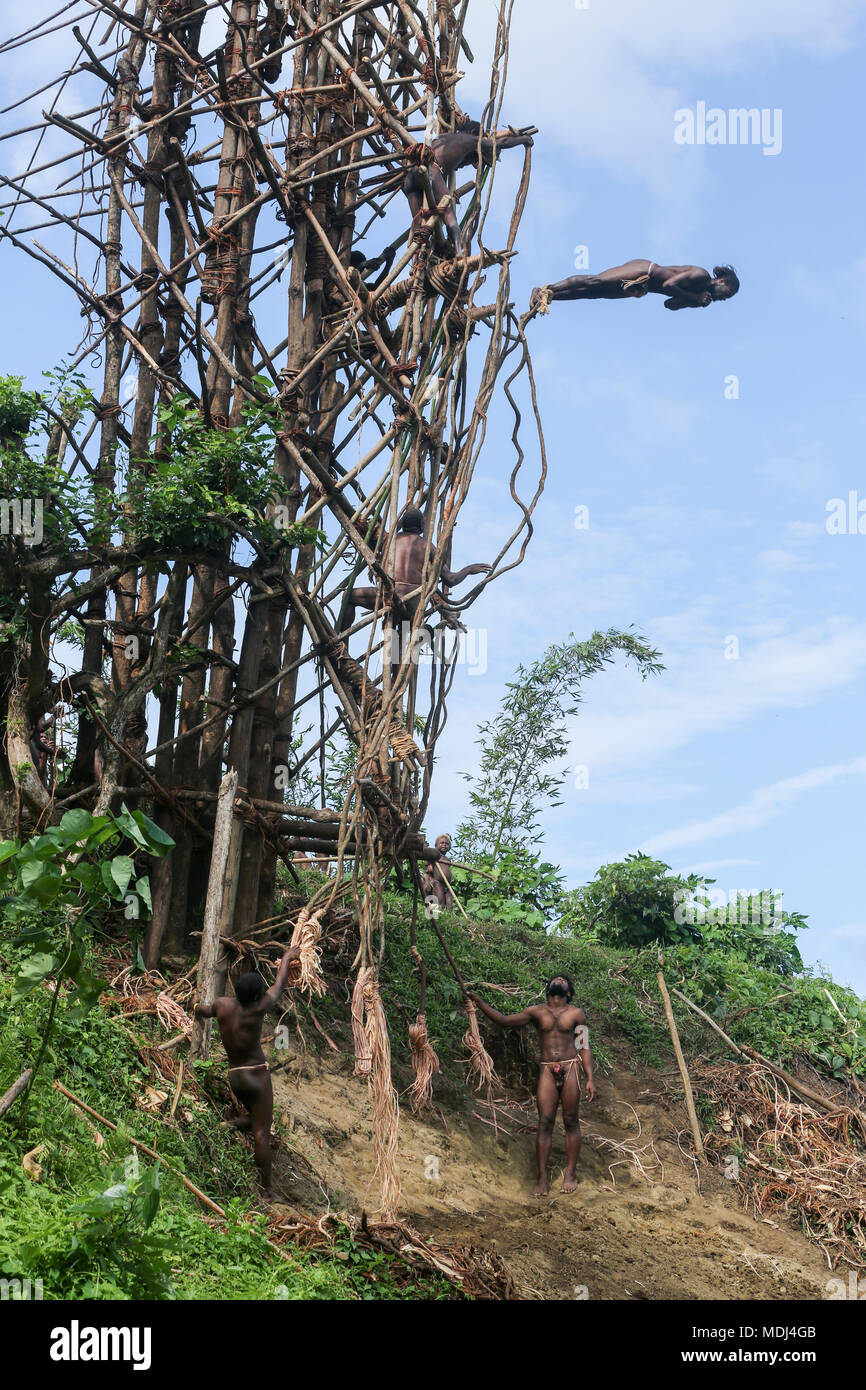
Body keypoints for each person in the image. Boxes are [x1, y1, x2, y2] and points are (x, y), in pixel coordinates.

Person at [467, 974, 596, 1195]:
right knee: (545, 1121)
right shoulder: (536, 1012)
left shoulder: (577, 1014)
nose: (559, 980)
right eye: (556, 979)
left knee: (570, 1120)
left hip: (570, 1067)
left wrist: (590, 1078)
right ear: (548, 989)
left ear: (569, 991)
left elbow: (583, 1046)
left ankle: (570, 1174)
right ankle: (542, 1178)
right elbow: (505, 1021)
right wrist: (479, 1003)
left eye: (563, 980)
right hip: (547, 1068)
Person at [194, 945, 300, 1201]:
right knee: (263, 1130)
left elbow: (201, 1010)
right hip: (256, 1076)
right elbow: (280, 984)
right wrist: (287, 957)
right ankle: (266, 1191)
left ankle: (228, 1125)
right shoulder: (258, 1007)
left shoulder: (221, 1006)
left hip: (236, 1076)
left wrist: (194, 1003)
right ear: (255, 996)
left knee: (257, 1120)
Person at [338, 506, 490, 640]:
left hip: (388, 596)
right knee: (400, 640)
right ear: (421, 526)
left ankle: (342, 644)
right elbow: (450, 579)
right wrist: (469, 569)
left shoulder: (388, 541)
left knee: (348, 596)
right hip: (413, 603)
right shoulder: (427, 545)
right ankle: (411, 642)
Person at [403, 118, 534, 255]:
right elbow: (500, 143)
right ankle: (458, 251)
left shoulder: (444, 137)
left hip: (411, 179)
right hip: (431, 171)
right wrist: (524, 139)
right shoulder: (471, 140)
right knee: (448, 214)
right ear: (474, 132)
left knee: (418, 224)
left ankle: (416, 258)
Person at [531, 261, 739, 312]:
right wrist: (694, 298)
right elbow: (669, 283)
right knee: (597, 281)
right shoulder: (701, 275)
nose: (723, 298)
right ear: (721, 282)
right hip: (643, 272)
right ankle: (543, 290)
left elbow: (669, 304)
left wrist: (694, 303)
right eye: (726, 293)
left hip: (641, 289)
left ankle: (547, 299)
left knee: (594, 294)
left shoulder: (700, 294)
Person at [421, 833, 453, 912]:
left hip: (447, 884)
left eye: (446, 844)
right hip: (438, 882)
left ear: (449, 847)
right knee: (439, 900)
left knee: (449, 903)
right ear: (436, 845)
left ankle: (450, 918)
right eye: (442, 843)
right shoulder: (434, 855)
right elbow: (426, 862)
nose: (444, 845)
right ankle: (437, 915)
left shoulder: (447, 859)